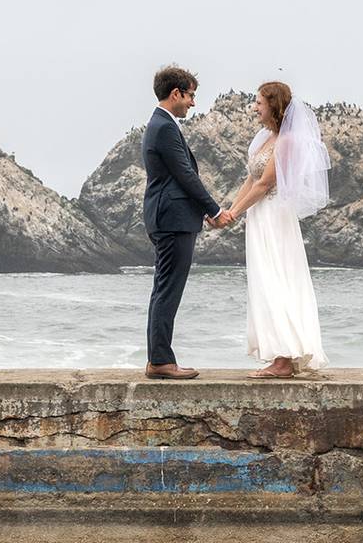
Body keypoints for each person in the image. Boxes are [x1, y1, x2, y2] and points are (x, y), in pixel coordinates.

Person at [220, 81, 331, 378]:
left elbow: (266, 184)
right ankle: (280, 354)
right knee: (264, 280)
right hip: (258, 217)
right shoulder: (263, 139)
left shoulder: (288, 142)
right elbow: (250, 179)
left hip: (273, 217)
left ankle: (284, 360)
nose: (255, 107)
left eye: (259, 102)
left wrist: (235, 212)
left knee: (276, 278)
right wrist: (230, 211)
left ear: (274, 105)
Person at [141, 66, 235, 380]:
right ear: (176, 93)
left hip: (167, 215)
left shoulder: (159, 124)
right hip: (173, 218)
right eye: (191, 95)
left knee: (162, 288)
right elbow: (185, 175)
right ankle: (161, 361)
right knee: (168, 289)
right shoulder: (164, 127)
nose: (193, 103)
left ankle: (158, 357)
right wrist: (214, 209)